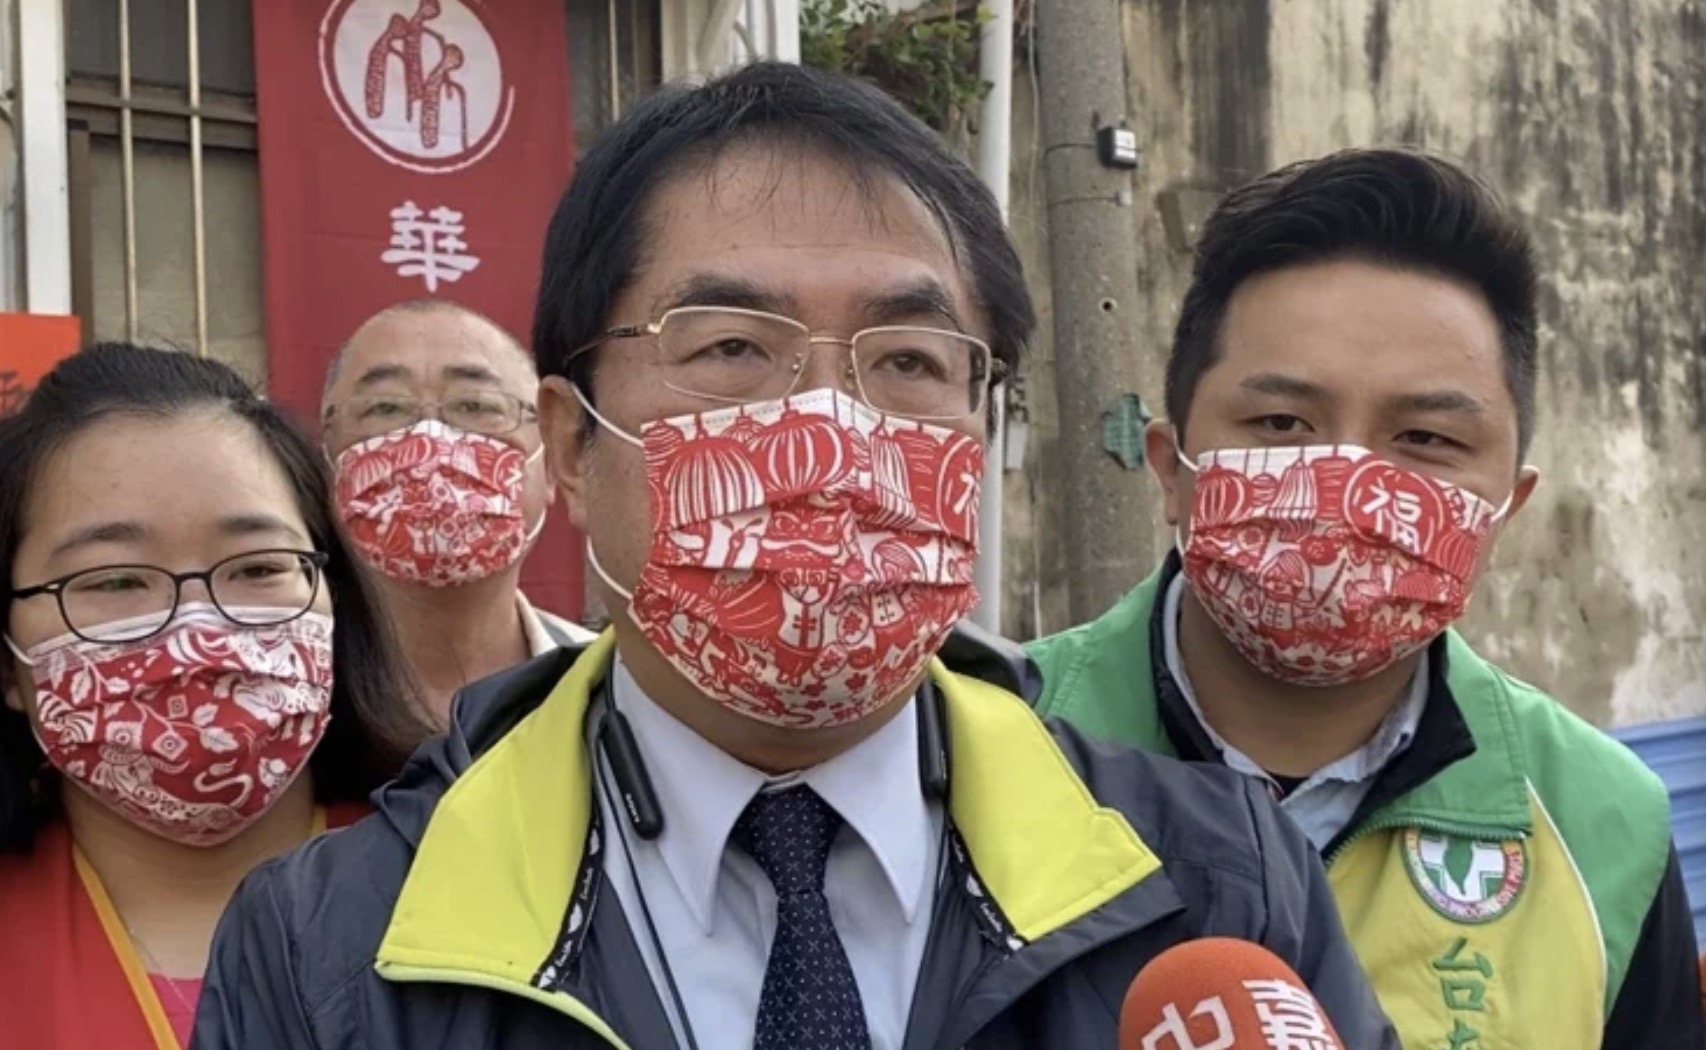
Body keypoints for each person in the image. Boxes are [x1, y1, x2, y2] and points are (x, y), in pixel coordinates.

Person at [191, 63, 1400, 1050]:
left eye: (909, 362)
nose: (830, 427)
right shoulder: (327, 949)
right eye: (729, 348)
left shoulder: (1220, 887)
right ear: (567, 445)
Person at [1026, 149, 1706, 1048]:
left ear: (1505, 511)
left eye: (1424, 437)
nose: (1350, 480)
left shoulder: (1602, 821)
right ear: (1173, 467)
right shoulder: (984, 747)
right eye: (1280, 424)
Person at [0, 344, 429, 1049]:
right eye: (113, 581)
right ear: (7, 663)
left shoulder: (479, 877)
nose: (198, 625)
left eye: (258, 567)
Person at [321, 299, 595, 723]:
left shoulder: (612, 690)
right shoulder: (279, 698)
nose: (430, 441)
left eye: (476, 405)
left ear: (553, 459)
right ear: (326, 458)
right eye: (385, 408)